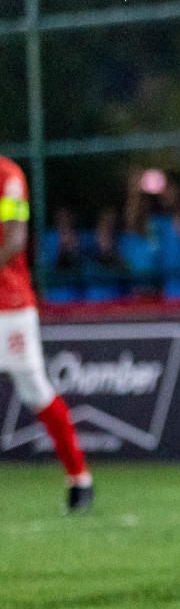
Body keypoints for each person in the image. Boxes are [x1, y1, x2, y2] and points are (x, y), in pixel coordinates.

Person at [0, 157, 93, 514]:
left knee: (35, 391)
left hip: (9, 307)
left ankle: (79, 477)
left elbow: (14, 239)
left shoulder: (9, 178)